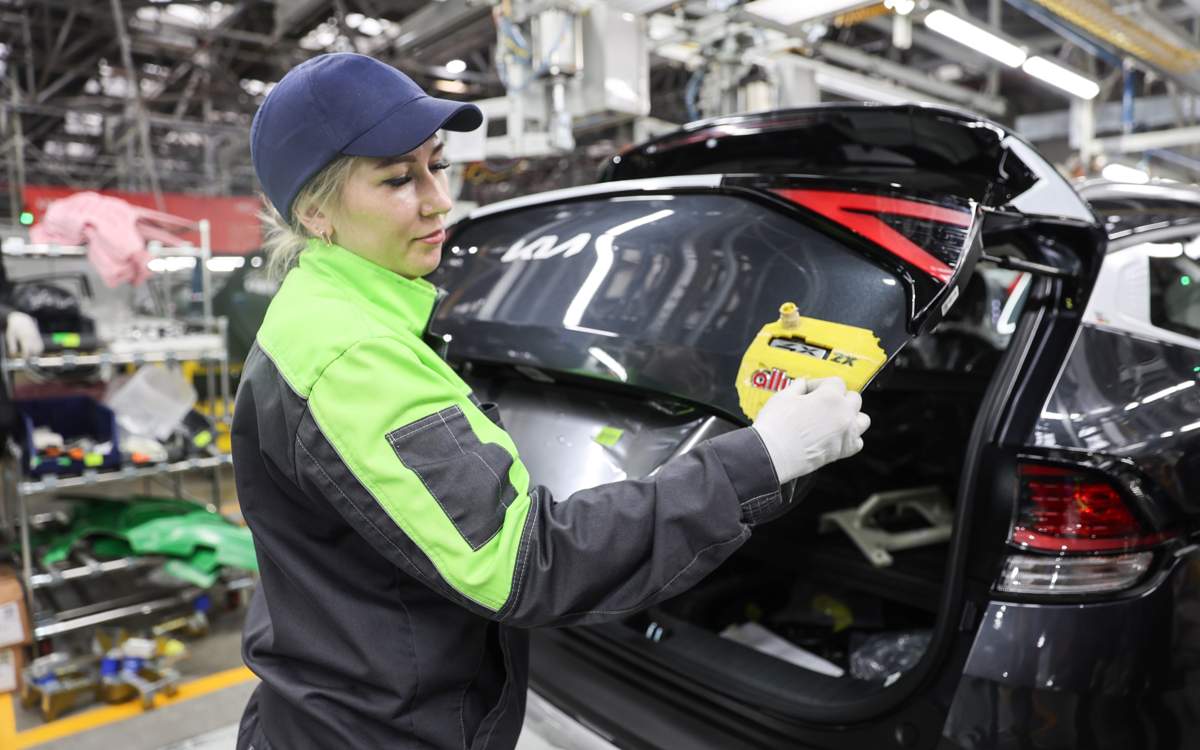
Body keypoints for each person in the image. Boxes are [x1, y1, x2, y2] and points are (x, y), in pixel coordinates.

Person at [234, 52, 870, 750]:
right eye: (397, 179)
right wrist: (761, 459)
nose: (439, 200)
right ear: (315, 212)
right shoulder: (353, 356)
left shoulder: (331, 312)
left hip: (340, 702)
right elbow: (523, 566)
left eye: (437, 165)